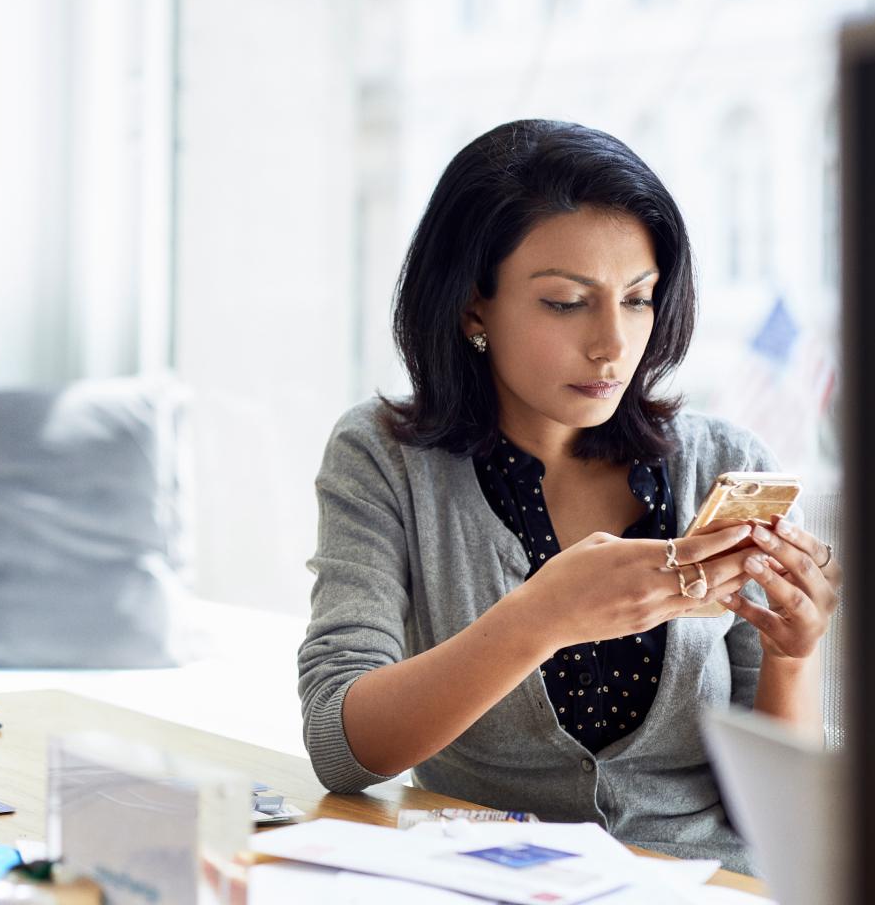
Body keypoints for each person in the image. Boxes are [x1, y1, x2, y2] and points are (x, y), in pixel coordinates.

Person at [297, 119, 842, 871]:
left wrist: (794, 654)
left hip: (706, 886)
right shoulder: (387, 460)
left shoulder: (723, 463)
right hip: (486, 878)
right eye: (565, 302)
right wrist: (543, 617)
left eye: (639, 299)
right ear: (472, 307)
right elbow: (341, 746)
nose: (613, 345)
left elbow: (779, 816)